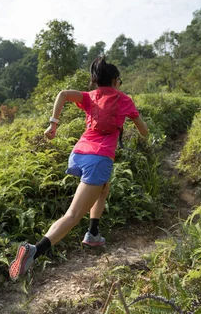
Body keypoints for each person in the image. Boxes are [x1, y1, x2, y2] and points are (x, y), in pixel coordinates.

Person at [9, 57, 149, 281]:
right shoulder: (124, 100)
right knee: (73, 215)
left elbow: (63, 93)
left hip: (78, 154)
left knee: (103, 187)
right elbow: (143, 131)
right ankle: (34, 251)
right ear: (114, 80)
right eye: (119, 80)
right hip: (98, 159)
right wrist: (139, 125)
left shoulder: (90, 96)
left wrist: (53, 124)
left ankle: (93, 233)